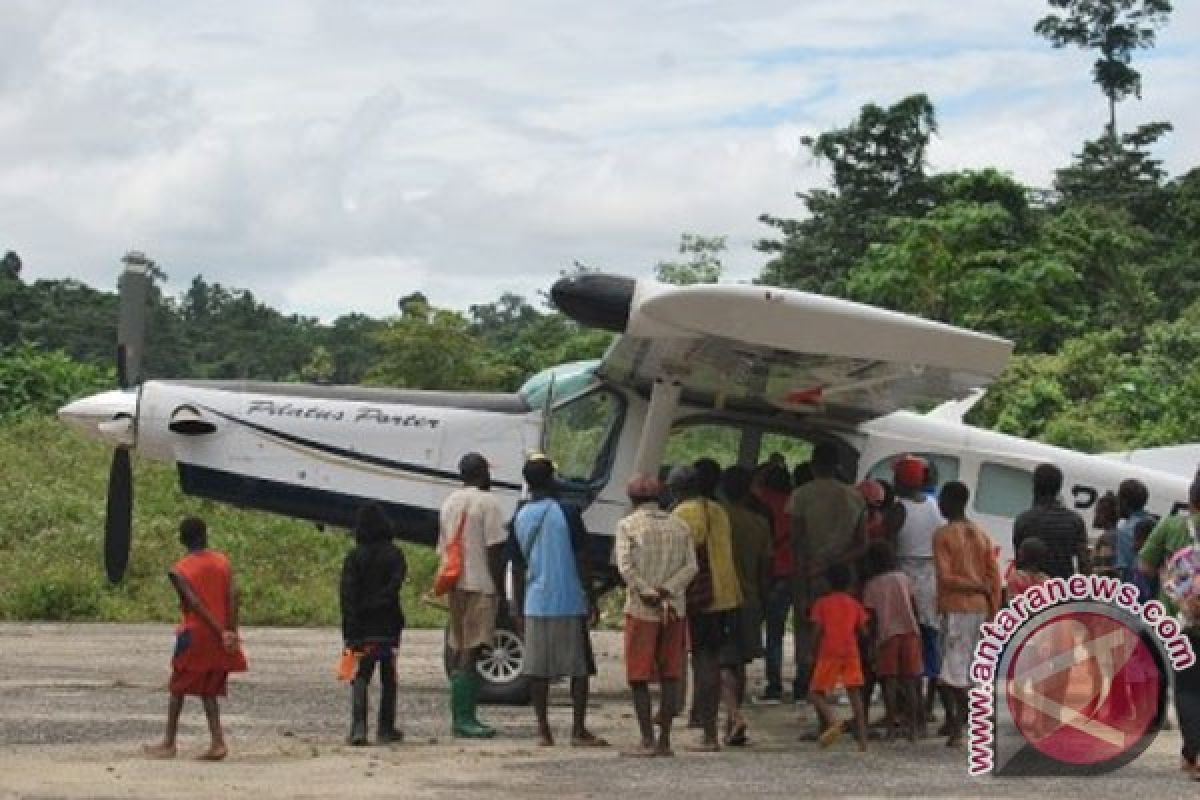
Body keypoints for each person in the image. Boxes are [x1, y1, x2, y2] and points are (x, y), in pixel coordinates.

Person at [511, 455, 607, 748]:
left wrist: (518, 606)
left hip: (536, 602)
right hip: (568, 600)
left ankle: (544, 732)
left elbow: (517, 567)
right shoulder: (568, 512)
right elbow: (582, 557)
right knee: (579, 668)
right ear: (553, 479)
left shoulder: (519, 516)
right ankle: (578, 730)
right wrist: (590, 596)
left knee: (537, 670)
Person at [144, 517, 247, 761]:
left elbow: (194, 603)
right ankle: (217, 741)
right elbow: (234, 595)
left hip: (196, 634)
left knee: (177, 688)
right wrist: (230, 630)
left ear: (182, 539)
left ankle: (169, 742)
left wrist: (219, 631)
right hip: (220, 635)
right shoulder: (223, 562)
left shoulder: (179, 570)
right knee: (208, 690)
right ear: (205, 535)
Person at [614, 475, 698, 757]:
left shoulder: (628, 525)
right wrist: (668, 590)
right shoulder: (680, 525)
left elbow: (626, 568)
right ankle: (664, 741)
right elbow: (691, 567)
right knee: (670, 673)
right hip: (674, 609)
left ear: (632, 499)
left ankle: (646, 739)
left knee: (639, 675)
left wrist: (648, 591)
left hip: (642, 609)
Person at [670, 463, 742, 752]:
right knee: (713, 658)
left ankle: (709, 734)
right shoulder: (718, 510)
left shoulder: (684, 514)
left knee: (704, 661)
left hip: (702, 598)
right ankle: (712, 728)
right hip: (727, 593)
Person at [787, 442, 866, 701]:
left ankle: (809, 681)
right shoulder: (855, 497)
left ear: (813, 465)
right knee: (841, 631)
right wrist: (837, 563)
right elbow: (862, 544)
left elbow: (796, 541)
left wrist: (805, 574)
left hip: (810, 573)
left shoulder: (801, 495)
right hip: (844, 577)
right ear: (837, 466)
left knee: (809, 628)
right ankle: (838, 682)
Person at [438, 452, 508, 738]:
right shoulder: (488, 502)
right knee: (474, 647)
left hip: (455, 582)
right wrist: (499, 585)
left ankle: (460, 715)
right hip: (480, 583)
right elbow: (494, 548)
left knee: (458, 643)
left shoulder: (449, 502)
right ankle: (464, 719)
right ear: (482, 473)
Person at [933, 481, 1001, 748]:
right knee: (967, 670)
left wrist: (975, 586)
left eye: (942, 499)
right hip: (980, 608)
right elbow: (994, 578)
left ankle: (971, 719)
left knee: (952, 672)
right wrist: (992, 608)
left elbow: (946, 577)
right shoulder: (982, 534)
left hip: (957, 607)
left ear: (950, 501)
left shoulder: (944, 535)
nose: (938, 504)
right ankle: (959, 724)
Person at [339, 503, 407, 746]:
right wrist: (379, 603)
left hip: (362, 629)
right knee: (389, 676)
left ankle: (358, 728)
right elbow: (394, 587)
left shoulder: (353, 558)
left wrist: (350, 630)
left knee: (360, 676)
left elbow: (347, 596)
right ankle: (386, 728)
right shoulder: (395, 555)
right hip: (388, 628)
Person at [888, 454, 944, 725]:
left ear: (900, 479)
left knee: (904, 646)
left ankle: (904, 708)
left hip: (905, 580)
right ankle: (927, 705)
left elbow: (887, 544)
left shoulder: (899, 508)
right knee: (929, 644)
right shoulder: (934, 506)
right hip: (930, 580)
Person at [719, 466, 771, 746]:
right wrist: (763, 601)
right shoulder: (759, 524)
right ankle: (730, 723)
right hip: (751, 599)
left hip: (723, 599)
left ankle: (734, 715)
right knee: (739, 663)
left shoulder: (719, 520)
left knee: (722, 662)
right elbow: (766, 569)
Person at [861, 540, 923, 742]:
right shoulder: (904, 578)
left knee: (889, 682)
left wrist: (871, 643)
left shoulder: (871, 586)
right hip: (910, 632)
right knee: (911, 682)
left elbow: (871, 618)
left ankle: (891, 728)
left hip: (887, 636)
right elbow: (914, 606)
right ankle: (913, 728)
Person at [807, 563, 869, 751]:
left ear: (827, 583)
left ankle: (833, 720)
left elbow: (817, 630)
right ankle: (862, 740)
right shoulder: (854, 604)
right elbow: (864, 631)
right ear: (850, 583)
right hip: (850, 652)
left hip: (829, 652)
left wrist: (812, 651)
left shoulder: (822, 603)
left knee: (815, 693)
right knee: (855, 694)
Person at [751, 463, 793, 704]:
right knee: (776, 633)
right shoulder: (792, 502)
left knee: (750, 625)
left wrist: (764, 468)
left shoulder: (760, 499)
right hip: (787, 573)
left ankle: (737, 677)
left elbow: (752, 485)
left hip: (762, 571)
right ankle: (775, 683)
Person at [1012, 463, 1090, 579]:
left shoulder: (1023, 520)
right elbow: (1084, 564)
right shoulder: (1075, 521)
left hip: (1032, 593)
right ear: (1058, 488)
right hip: (1062, 590)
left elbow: (1019, 563)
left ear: (1034, 487)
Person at [1138, 476, 1200, 615]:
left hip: (1172, 619)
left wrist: (1167, 573)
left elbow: (1144, 567)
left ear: (1191, 500)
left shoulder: (1170, 525)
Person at [1116, 479, 1152, 581]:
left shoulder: (1125, 530)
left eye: (1118, 499)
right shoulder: (1156, 523)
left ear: (1124, 502)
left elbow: (1123, 569)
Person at [1091, 491, 1120, 579]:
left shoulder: (1106, 538)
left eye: (1097, 512)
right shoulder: (1118, 534)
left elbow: (1104, 570)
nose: (1095, 516)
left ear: (1104, 514)